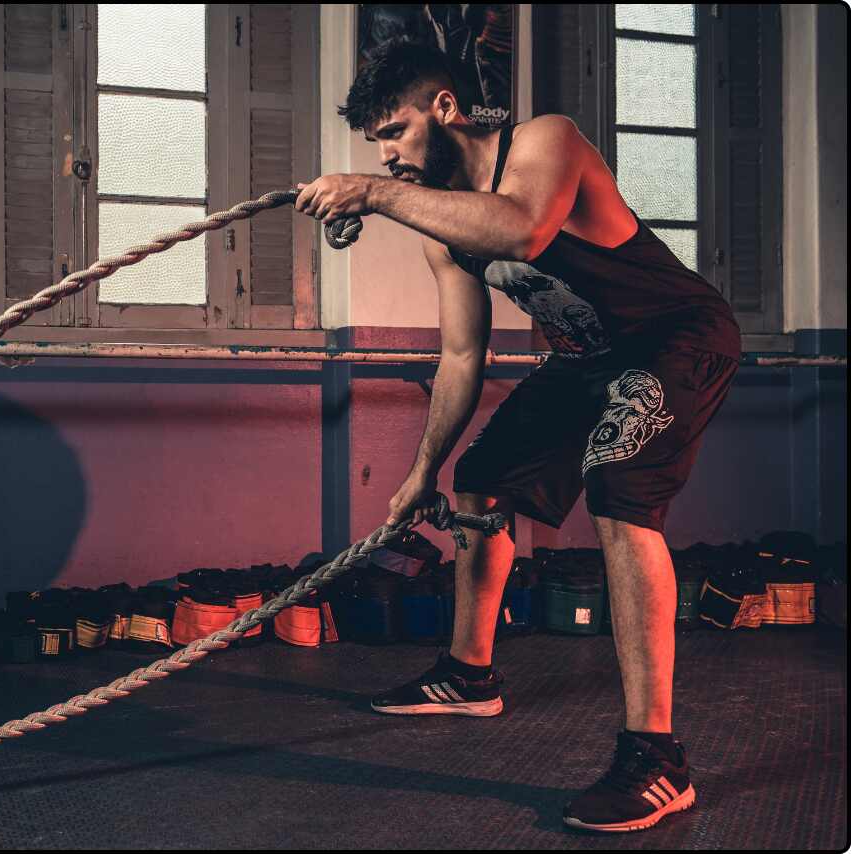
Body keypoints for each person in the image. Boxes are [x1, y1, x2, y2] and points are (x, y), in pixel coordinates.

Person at [294, 37, 741, 833]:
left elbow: (524, 230)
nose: (389, 157)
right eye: (377, 148)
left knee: (617, 489)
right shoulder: (441, 228)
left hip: (677, 337)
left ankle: (657, 759)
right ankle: (469, 674)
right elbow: (463, 355)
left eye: (394, 133)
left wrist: (370, 191)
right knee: (483, 477)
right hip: (585, 358)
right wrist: (419, 473)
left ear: (445, 108)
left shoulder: (545, 140)